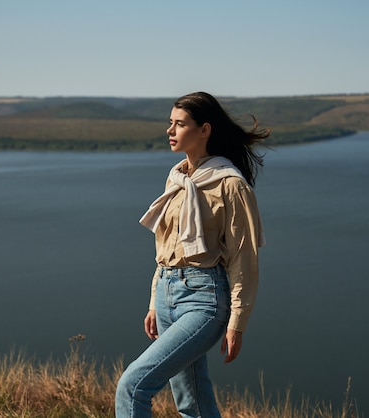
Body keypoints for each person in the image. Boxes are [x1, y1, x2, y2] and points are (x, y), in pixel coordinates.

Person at [115, 92, 269, 418]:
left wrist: (237, 323)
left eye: (180, 124)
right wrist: (155, 300)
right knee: (193, 404)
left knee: (133, 385)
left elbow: (244, 258)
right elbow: (166, 246)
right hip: (167, 293)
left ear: (204, 130)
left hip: (205, 299)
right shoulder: (177, 177)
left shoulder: (231, 184)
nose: (170, 130)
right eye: (170, 123)